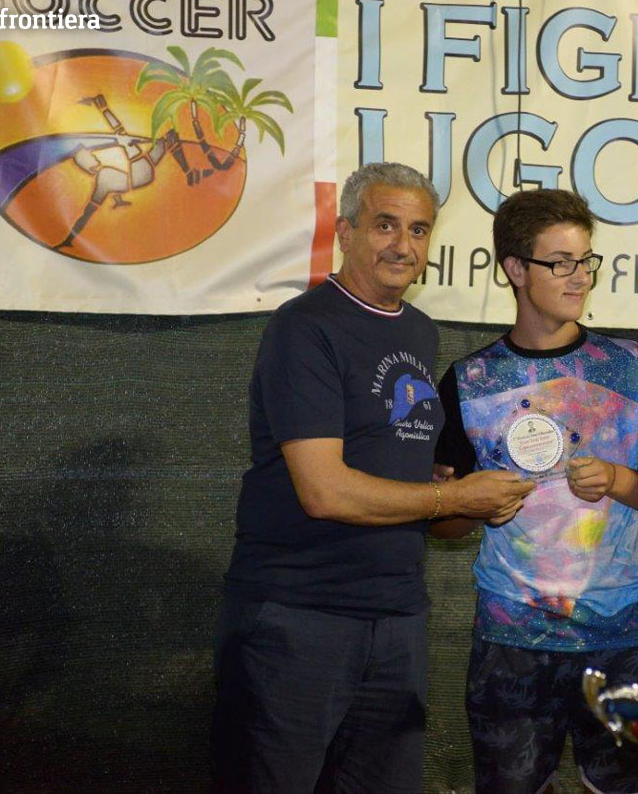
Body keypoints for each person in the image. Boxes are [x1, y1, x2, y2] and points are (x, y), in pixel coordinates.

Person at [212, 162, 535, 794]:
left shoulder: (419, 331)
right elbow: (324, 491)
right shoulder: (305, 326)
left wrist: (457, 495)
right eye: (385, 225)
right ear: (345, 231)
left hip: (396, 618)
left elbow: (405, 479)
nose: (403, 245)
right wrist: (450, 495)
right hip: (298, 616)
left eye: (419, 230)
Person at [432, 188, 638, 794]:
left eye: (587, 260)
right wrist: (473, 503)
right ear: (515, 269)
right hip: (511, 638)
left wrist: (620, 481)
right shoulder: (469, 380)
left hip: (621, 633)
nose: (580, 277)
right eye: (561, 262)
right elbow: (440, 520)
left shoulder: (627, 365)